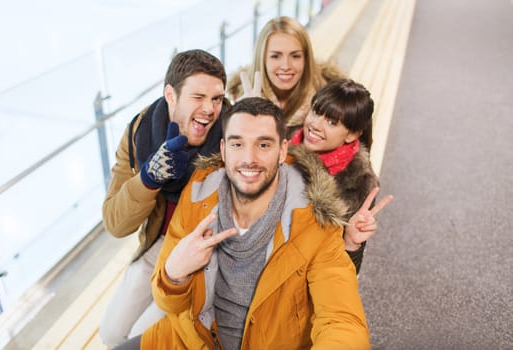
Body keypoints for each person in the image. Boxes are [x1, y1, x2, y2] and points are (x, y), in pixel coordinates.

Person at [113, 97, 371, 349]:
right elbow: (169, 303)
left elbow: (343, 321)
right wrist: (173, 275)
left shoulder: (316, 220)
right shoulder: (197, 195)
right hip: (192, 339)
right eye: (238, 145)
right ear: (224, 150)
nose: (249, 159)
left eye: (263, 145)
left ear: (282, 151)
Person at [100, 49, 228, 347]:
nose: (210, 109)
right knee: (109, 334)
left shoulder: (231, 133)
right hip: (157, 244)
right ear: (171, 95)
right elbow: (115, 224)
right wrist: (148, 179)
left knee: (141, 340)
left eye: (217, 99)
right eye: (198, 97)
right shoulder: (139, 132)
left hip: (200, 257)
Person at [288, 78, 394, 273]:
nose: (316, 125)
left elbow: (345, 272)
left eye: (332, 122)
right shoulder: (281, 140)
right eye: (316, 112)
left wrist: (351, 244)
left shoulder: (360, 183)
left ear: (352, 135)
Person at [227, 16, 345, 138]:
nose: (286, 66)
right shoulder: (239, 99)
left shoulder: (332, 100)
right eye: (275, 56)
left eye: (295, 56)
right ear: (262, 59)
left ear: (306, 59)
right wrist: (242, 119)